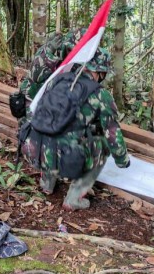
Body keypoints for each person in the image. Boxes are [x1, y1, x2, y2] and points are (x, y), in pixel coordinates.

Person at [19, 48, 130, 210]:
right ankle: (74, 198)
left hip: (36, 149)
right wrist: (122, 160)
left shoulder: (57, 80)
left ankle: (47, 184)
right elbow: (113, 134)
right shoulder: (100, 95)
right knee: (101, 143)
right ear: (100, 72)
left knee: (57, 132)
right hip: (66, 157)